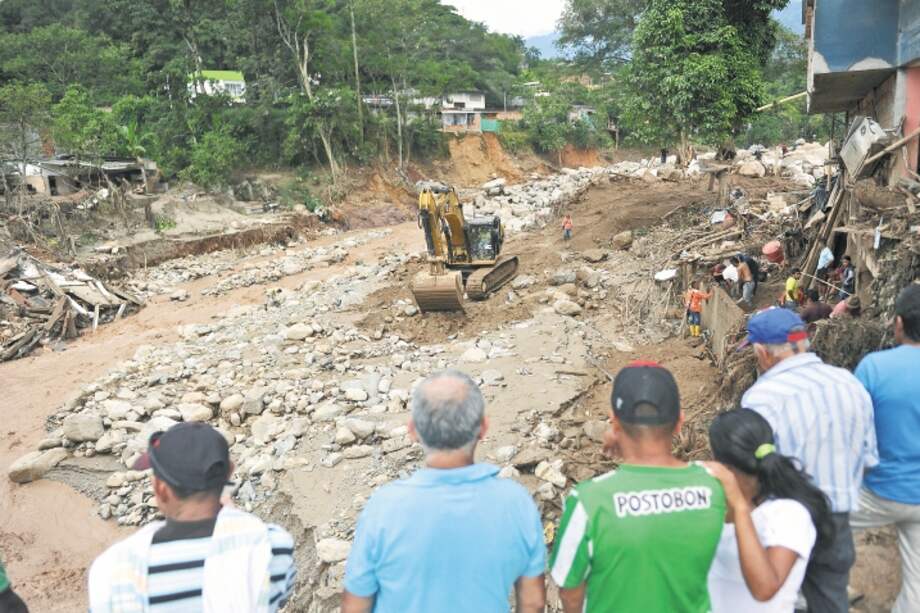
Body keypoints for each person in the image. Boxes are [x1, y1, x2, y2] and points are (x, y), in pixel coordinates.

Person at [342, 371, 545, 613]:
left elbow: (355, 606)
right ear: (483, 428)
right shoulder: (516, 503)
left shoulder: (384, 507)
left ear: (413, 430)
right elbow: (533, 603)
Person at [549, 362, 726, 612]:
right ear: (679, 422)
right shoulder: (714, 487)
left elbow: (570, 593)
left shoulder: (589, 501)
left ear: (614, 422)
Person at [741, 308, 877, 613]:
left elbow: (752, 474)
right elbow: (869, 459)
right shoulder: (849, 384)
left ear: (762, 352)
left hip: (782, 525)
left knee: (775, 600)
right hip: (838, 520)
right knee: (830, 600)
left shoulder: (761, 397)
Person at [88, 423, 296, 613]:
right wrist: (235, 517)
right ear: (229, 471)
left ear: (161, 489)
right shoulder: (273, 547)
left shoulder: (111, 571)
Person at [706, 408, 833, 613]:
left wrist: (740, 508)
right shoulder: (714, 506)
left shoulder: (789, 514)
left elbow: (765, 588)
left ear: (722, 463)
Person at [851, 284, 920, 612]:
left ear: (898, 323)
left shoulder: (873, 367)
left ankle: (820, 593)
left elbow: (855, 431)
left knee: (820, 526)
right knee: (917, 588)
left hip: (875, 493)